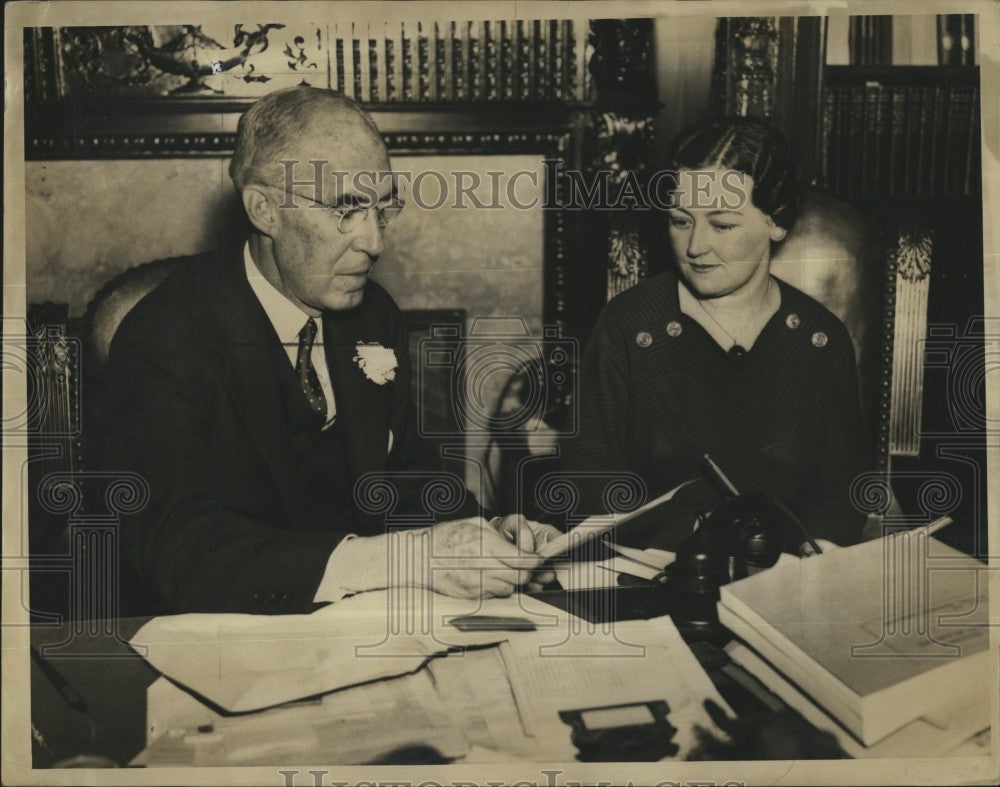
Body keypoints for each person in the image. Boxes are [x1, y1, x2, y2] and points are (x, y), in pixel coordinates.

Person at [100, 86, 556, 615]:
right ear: (264, 209)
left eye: (382, 209)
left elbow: (408, 478)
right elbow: (178, 552)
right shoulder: (166, 336)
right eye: (346, 209)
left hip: (358, 630)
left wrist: (486, 537)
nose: (374, 242)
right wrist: (403, 559)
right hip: (226, 644)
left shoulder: (373, 314)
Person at [562, 117, 867, 555]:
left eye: (722, 225)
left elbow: (839, 494)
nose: (695, 246)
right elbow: (588, 488)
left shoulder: (820, 341)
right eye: (680, 221)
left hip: (785, 584)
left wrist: (815, 559)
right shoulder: (628, 327)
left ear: (776, 222)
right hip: (653, 578)